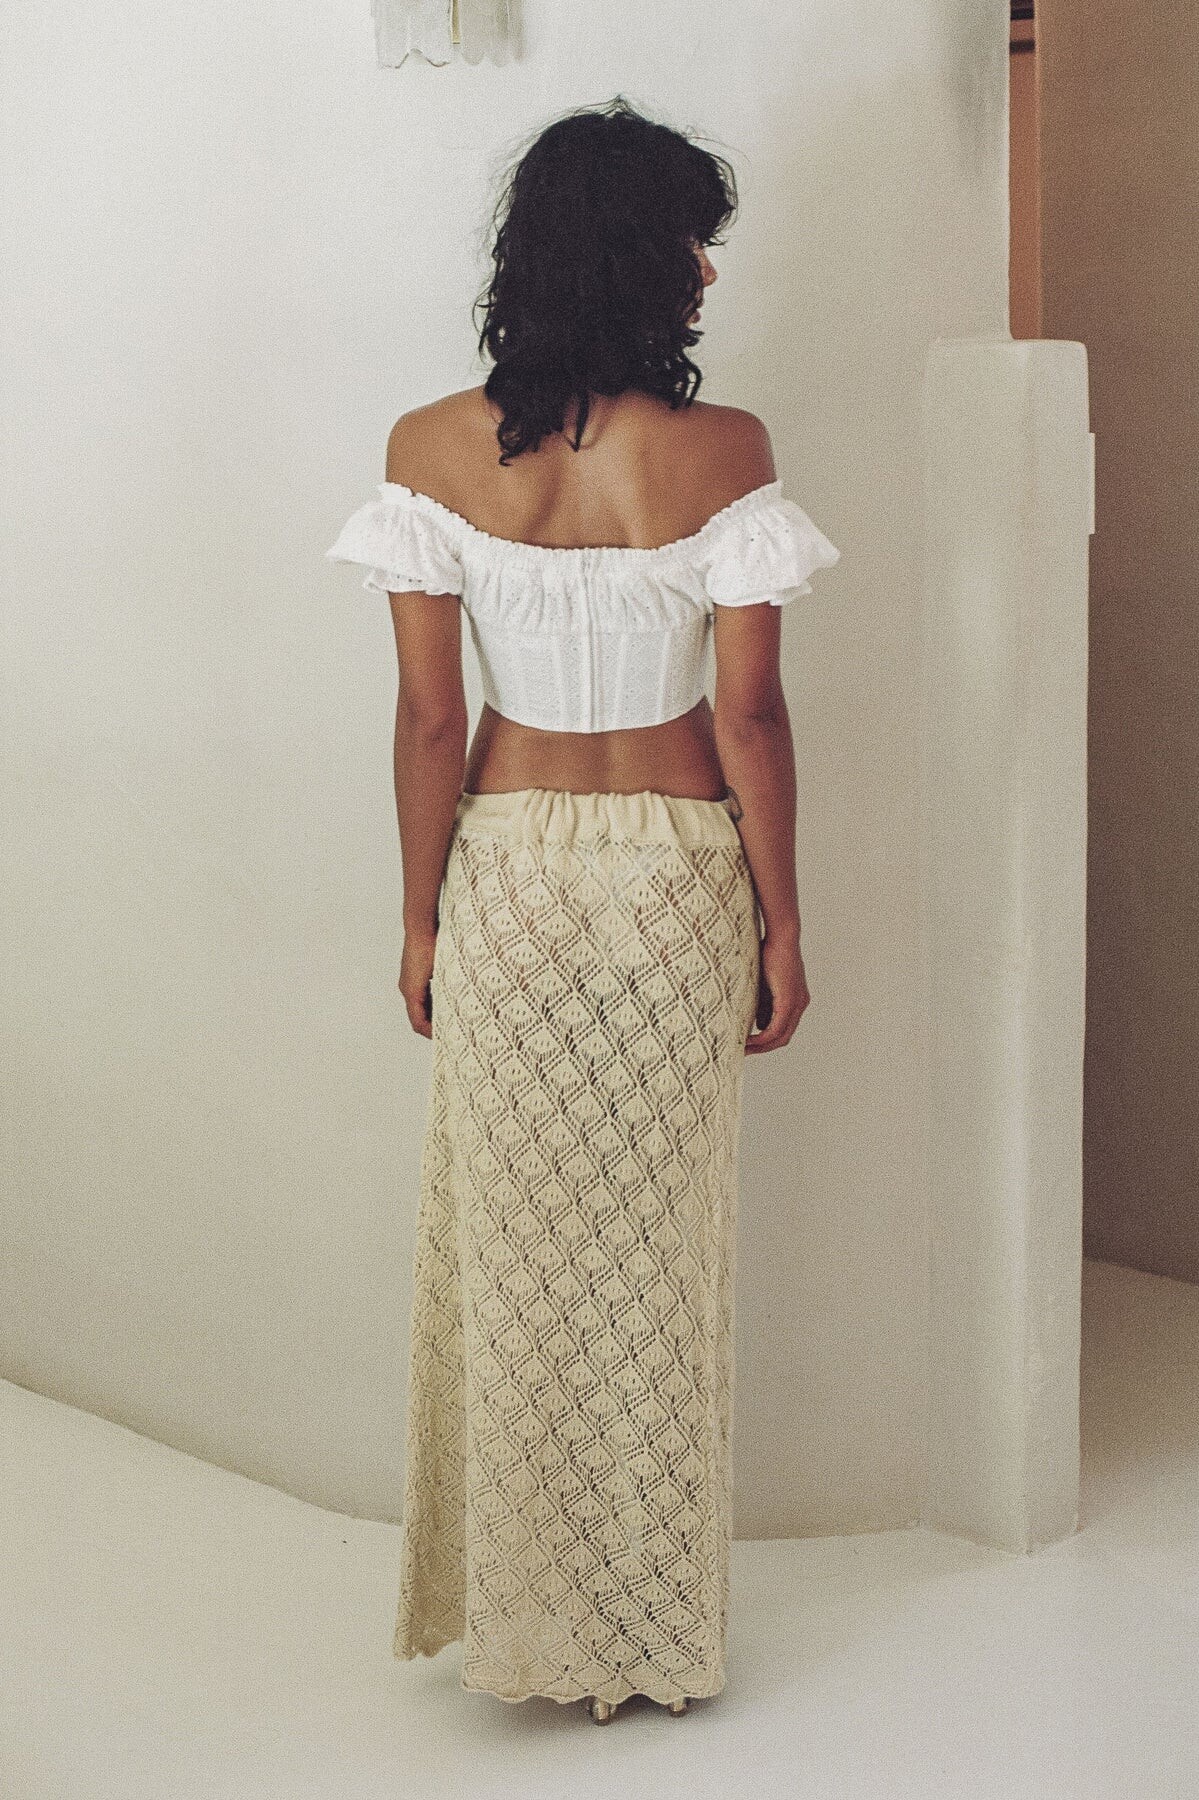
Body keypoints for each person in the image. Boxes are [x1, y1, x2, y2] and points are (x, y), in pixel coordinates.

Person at [325, 94, 840, 1725]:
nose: (707, 269)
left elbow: (431, 722)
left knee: (512, 1252)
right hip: (679, 878)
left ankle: (523, 1617)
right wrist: (784, 922)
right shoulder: (724, 453)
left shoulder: (427, 450)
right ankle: (639, 1619)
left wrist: (421, 920)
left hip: (511, 881)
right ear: (632, 253)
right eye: (690, 237)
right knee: (656, 1261)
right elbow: (749, 714)